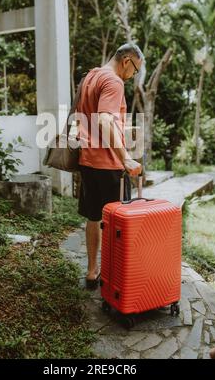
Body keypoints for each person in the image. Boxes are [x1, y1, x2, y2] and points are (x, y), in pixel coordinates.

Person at [76, 43, 145, 289]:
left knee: (94, 217)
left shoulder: (91, 76)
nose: (133, 75)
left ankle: (92, 271)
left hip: (87, 160)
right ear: (127, 61)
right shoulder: (114, 82)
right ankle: (114, 275)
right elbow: (105, 120)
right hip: (108, 165)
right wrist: (125, 157)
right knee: (117, 222)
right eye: (135, 69)